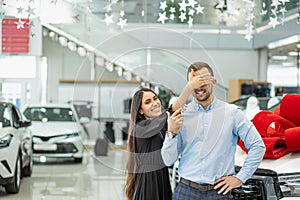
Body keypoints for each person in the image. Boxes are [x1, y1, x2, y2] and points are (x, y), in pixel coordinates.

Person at [161, 61, 266, 199]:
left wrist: (241, 177)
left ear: (214, 82)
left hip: (219, 193)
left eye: (203, 80)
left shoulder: (232, 113)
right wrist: (171, 133)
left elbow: (258, 146)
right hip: (185, 192)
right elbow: (168, 161)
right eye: (194, 82)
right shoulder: (181, 115)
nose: (199, 86)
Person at [125, 72, 213, 200]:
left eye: (155, 98)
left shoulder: (159, 125)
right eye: (148, 102)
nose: (155, 103)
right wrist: (189, 87)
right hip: (149, 185)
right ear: (140, 110)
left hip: (162, 179)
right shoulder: (140, 127)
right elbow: (171, 110)